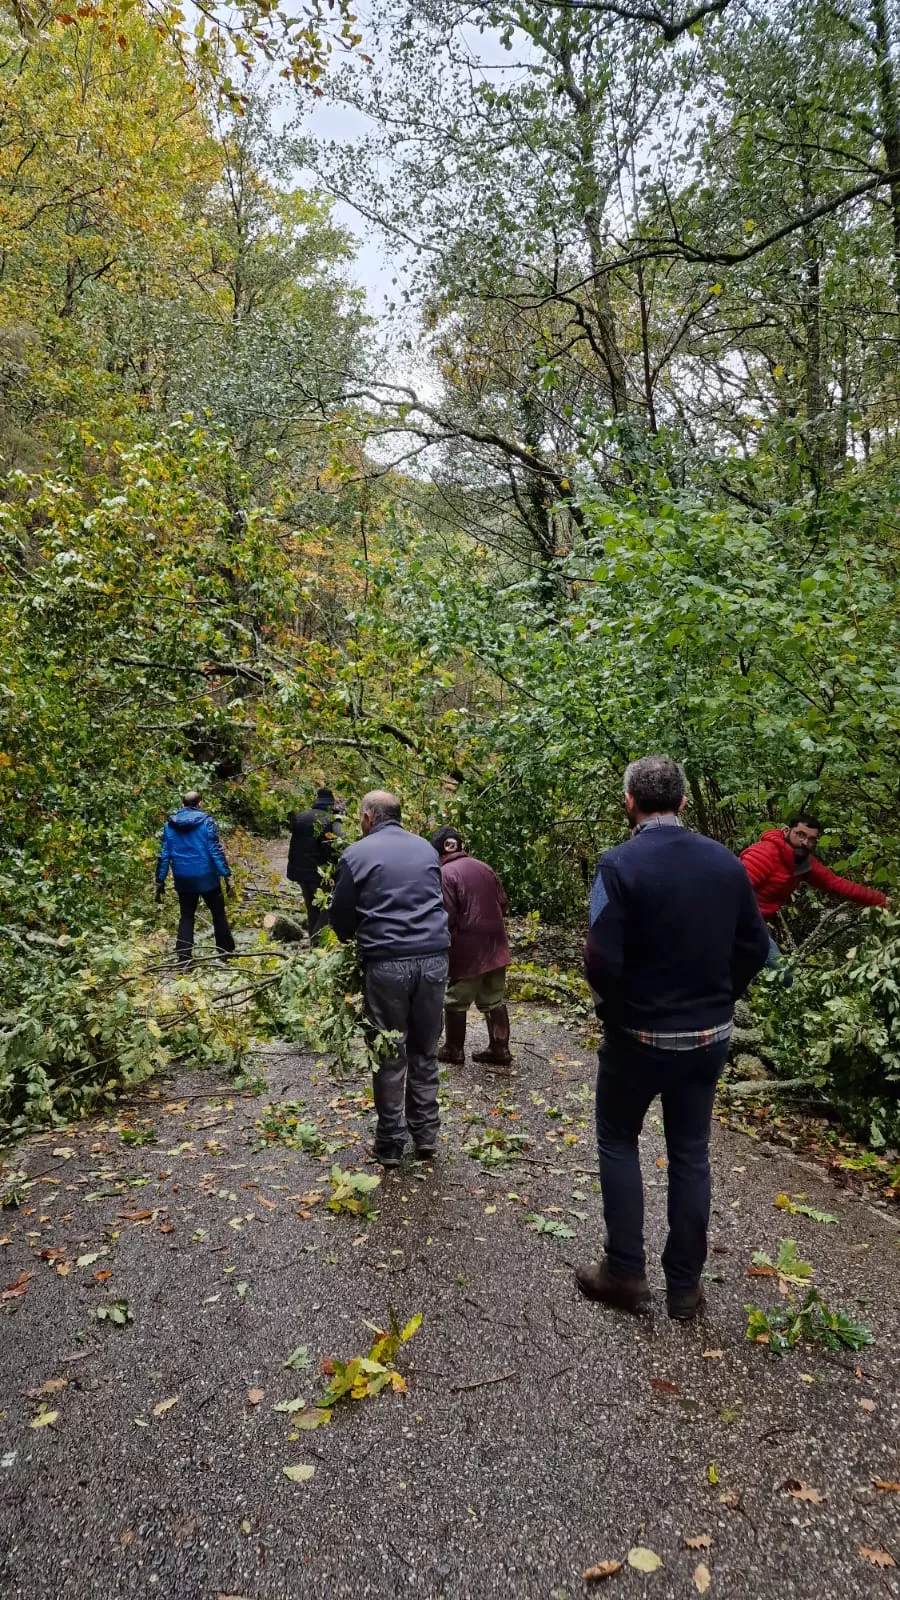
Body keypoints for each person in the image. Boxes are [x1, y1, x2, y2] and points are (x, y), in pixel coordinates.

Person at [577, 756, 770, 1321]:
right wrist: (720, 999)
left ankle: (625, 1272)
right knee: (690, 1153)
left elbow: (599, 957)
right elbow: (756, 948)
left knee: (617, 1140)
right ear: (683, 803)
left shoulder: (618, 865)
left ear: (629, 803)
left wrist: (615, 1010)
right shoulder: (725, 864)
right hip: (707, 1037)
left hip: (636, 1035)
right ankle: (685, 1288)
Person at [329, 791, 449, 1167]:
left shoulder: (355, 854)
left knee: (388, 1053)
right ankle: (426, 1137)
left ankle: (390, 1144)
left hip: (387, 964)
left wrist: (354, 941)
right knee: (425, 1049)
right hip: (433, 959)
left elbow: (340, 915)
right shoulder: (427, 850)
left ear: (368, 817)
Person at [741, 815, 888, 969]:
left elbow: (836, 884)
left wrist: (883, 901)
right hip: (739, 920)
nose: (805, 843)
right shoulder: (766, 853)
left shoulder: (802, 863)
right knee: (781, 975)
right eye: (801, 835)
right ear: (786, 831)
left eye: (811, 839)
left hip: (755, 924)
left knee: (779, 976)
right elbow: (733, 889)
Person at [430, 826, 512, 1067]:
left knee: (455, 999)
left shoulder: (444, 874)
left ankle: (454, 1049)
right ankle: (500, 1048)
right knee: (494, 997)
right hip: (496, 943)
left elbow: (447, 915)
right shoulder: (484, 867)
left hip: (468, 948)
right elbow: (503, 902)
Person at [155, 790, 236, 968]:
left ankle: (184, 959)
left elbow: (164, 855)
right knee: (218, 914)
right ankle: (226, 953)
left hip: (183, 879)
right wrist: (227, 876)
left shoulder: (170, 825)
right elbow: (215, 851)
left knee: (186, 916)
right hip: (207, 877)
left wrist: (159, 881)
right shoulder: (207, 822)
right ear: (200, 804)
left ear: (182, 805)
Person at [286, 785, 344, 937]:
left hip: (299, 871)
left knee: (312, 908)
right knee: (327, 907)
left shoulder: (301, 816)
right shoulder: (332, 819)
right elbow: (340, 843)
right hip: (320, 873)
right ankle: (317, 940)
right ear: (331, 804)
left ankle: (313, 943)